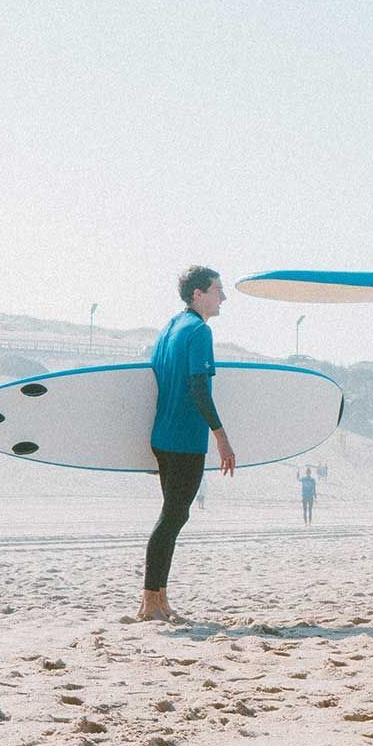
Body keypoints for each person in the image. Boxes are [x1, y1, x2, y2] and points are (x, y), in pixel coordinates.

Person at [138, 266, 235, 623]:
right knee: (172, 517)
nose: (222, 297)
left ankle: (159, 599)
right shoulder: (199, 331)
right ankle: (150, 601)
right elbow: (198, 388)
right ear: (198, 294)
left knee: (173, 515)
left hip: (163, 437)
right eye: (217, 290)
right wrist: (222, 439)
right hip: (184, 440)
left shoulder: (169, 329)